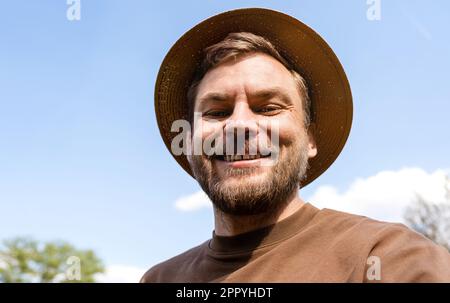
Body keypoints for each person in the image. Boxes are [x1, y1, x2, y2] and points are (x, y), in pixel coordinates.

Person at [141, 8, 450, 282]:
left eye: (268, 108)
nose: (238, 126)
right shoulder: (159, 278)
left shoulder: (390, 257)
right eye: (217, 112)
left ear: (310, 139)